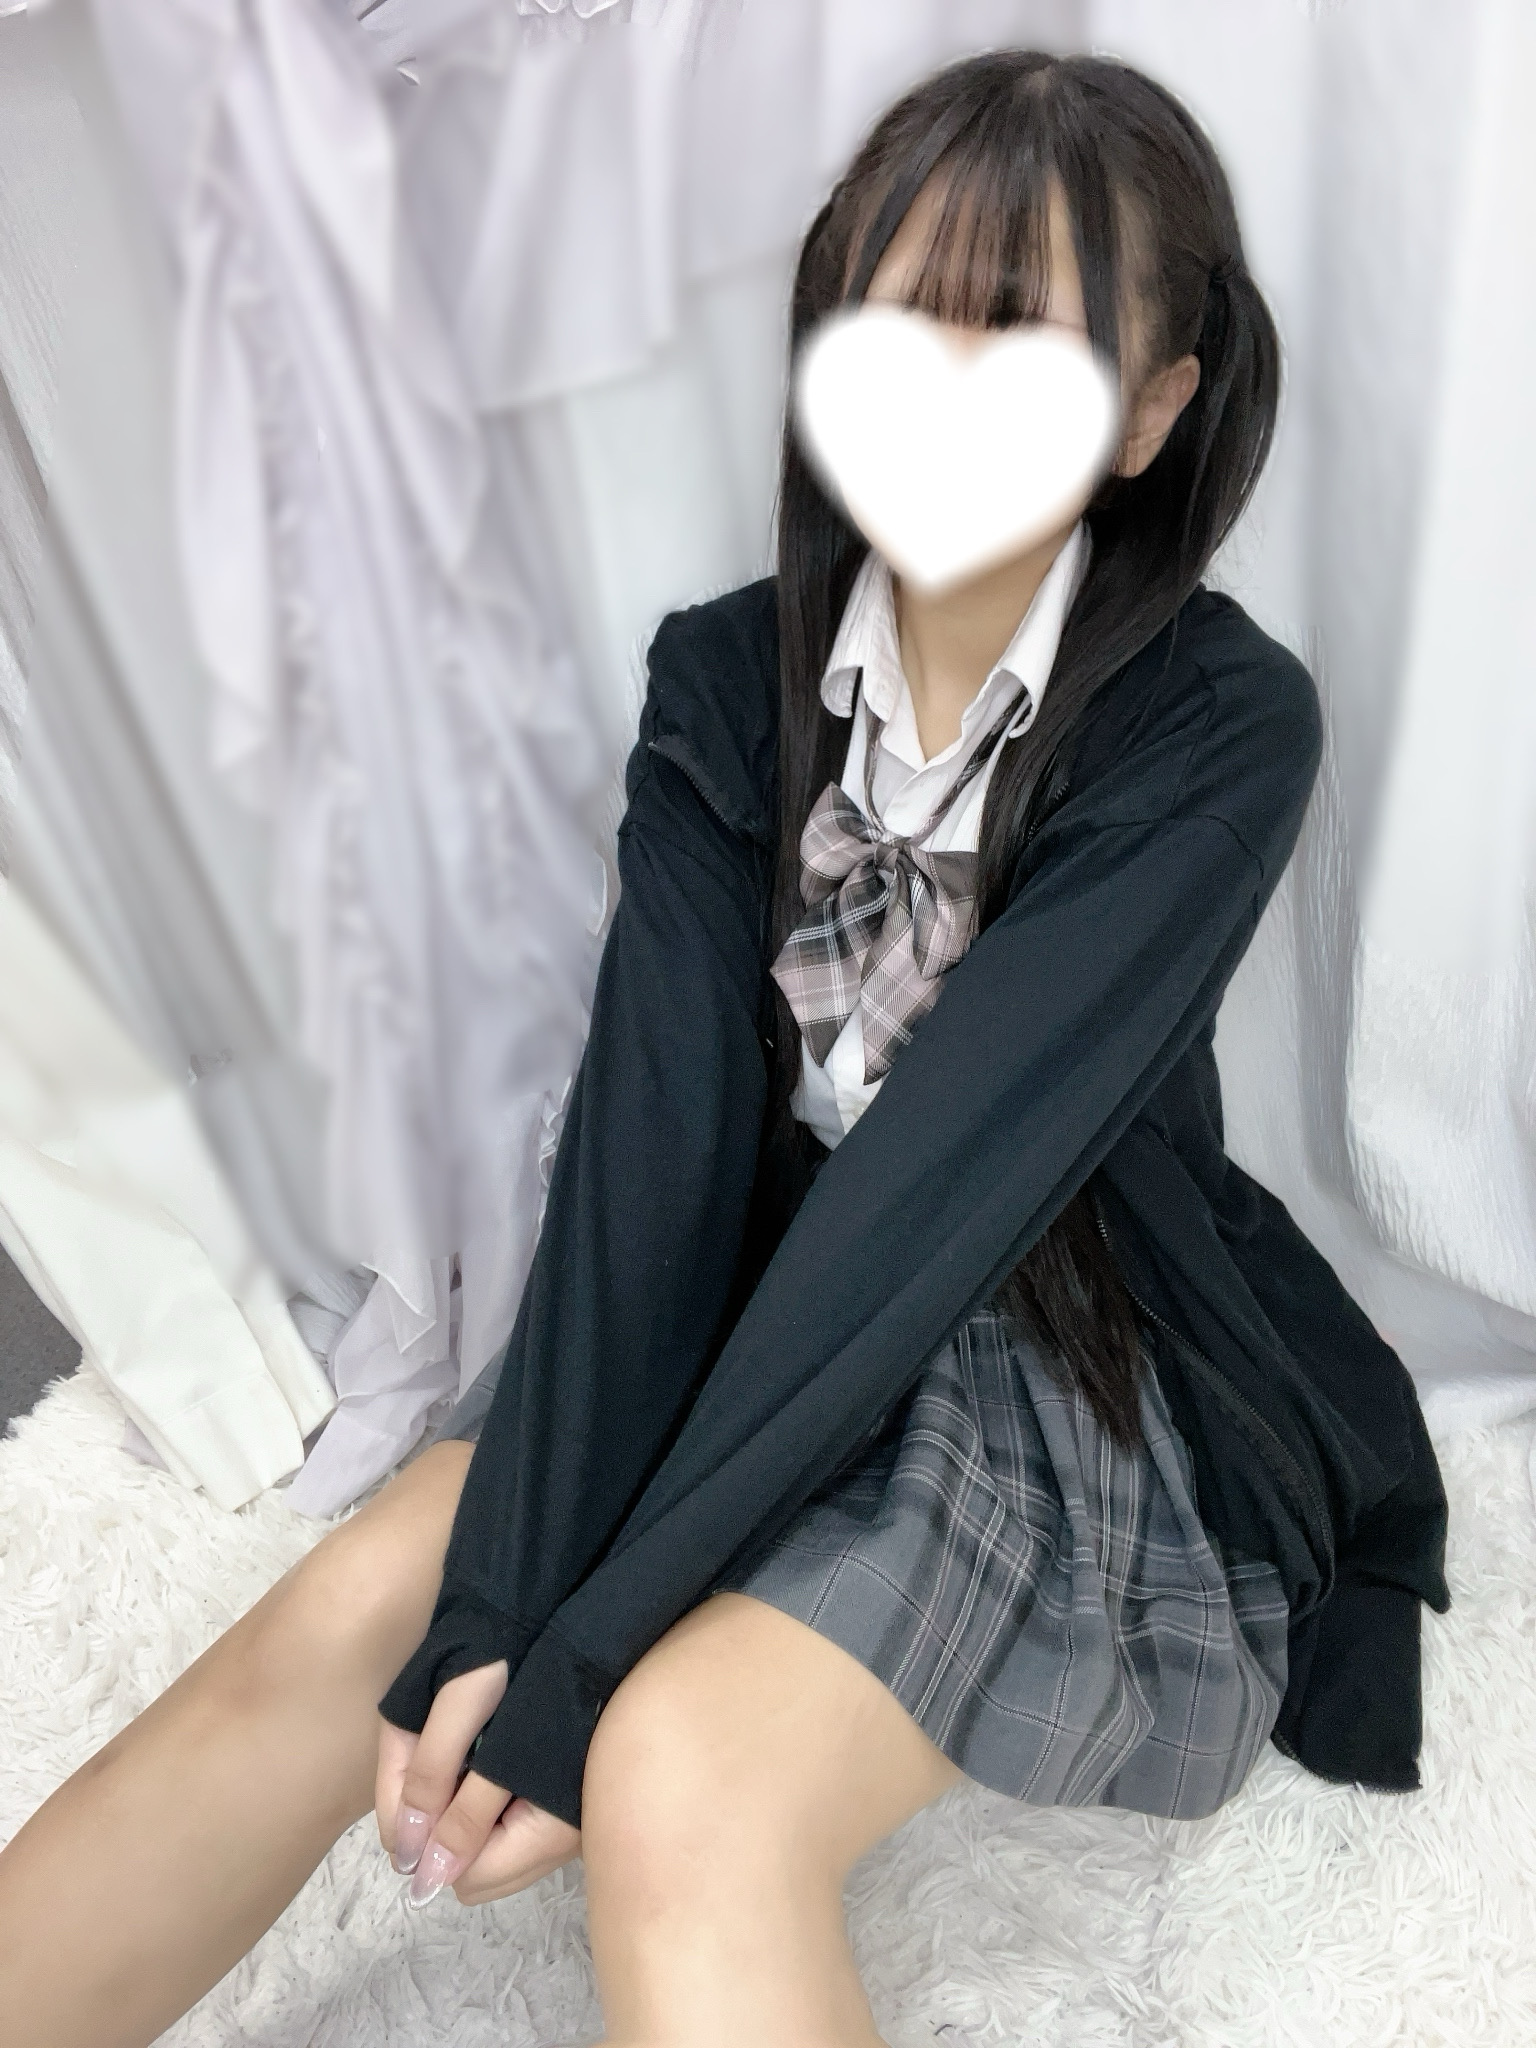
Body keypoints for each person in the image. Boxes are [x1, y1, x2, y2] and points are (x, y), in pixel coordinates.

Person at [0, 49, 1449, 2048]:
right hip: (738, 1302)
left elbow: (944, 1189)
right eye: (894, 323)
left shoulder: (1217, 723)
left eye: (1023, 341)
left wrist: (589, 1665)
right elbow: (654, 1142)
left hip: (1048, 1343)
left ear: (1151, 410)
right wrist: (508, 1600)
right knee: (350, 1612)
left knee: (684, 1778)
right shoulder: (724, 676)